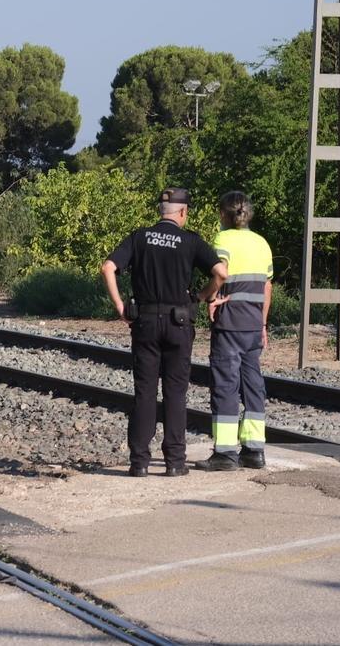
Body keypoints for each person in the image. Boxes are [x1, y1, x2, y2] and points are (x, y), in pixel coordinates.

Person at [101, 187, 227, 477]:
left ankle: (139, 463)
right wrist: (202, 296)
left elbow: (108, 267)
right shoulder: (190, 241)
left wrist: (120, 306)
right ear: (182, 212)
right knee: (175, 393)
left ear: (161, 211)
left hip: (144, 323)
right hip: (178, 324)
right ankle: (174, 462)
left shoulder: (139, 237)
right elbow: (221, 273)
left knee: (144, 393)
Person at [196, 191, 273, 471]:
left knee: (225, 385)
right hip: (253, 324)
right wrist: (263, 324)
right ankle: (254, 450)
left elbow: (222, 273)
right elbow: (267, 286)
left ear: (222, 214)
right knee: (253, 385)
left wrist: (209, 298)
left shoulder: (223, 239)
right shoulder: (262, 243)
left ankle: (225, 453)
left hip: (229, 322)